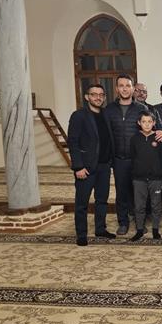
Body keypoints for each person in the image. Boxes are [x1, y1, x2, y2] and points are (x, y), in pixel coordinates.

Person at [67, 84, 116, 246]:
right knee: (82, 203)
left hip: (104, 166)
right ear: (87, 97)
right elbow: (73, 142)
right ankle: (81, 234)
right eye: (94, 94)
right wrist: (78, 166)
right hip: (85, 168)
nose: (98, 97)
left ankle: (100, 229)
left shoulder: (106, 114)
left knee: (102, 200)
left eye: (101, 95)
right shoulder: (79, 115)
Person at [105, 74, 146, 236]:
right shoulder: (109, 110)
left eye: (127, 85)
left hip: (137, 159)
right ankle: (123, 222)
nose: (124, 89)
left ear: (133, 88)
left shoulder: (141, 109)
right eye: (121, 86)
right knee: (121, 193)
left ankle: (139, 222)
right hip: (119, 159)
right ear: (116, 89)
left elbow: (149, 130)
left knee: (138, 193)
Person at [130, 110, 162, 242]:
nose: (147, 124)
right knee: (139, 206)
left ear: (154, 123)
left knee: (156, 205)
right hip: (139, 179)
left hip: (155, 178)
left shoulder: (159, 138)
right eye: (144, 121)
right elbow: (132, 157)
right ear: (139, 123)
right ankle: (139, 230)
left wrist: (158, 172)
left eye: (150, 121)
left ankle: (155, 229)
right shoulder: (134, 138)